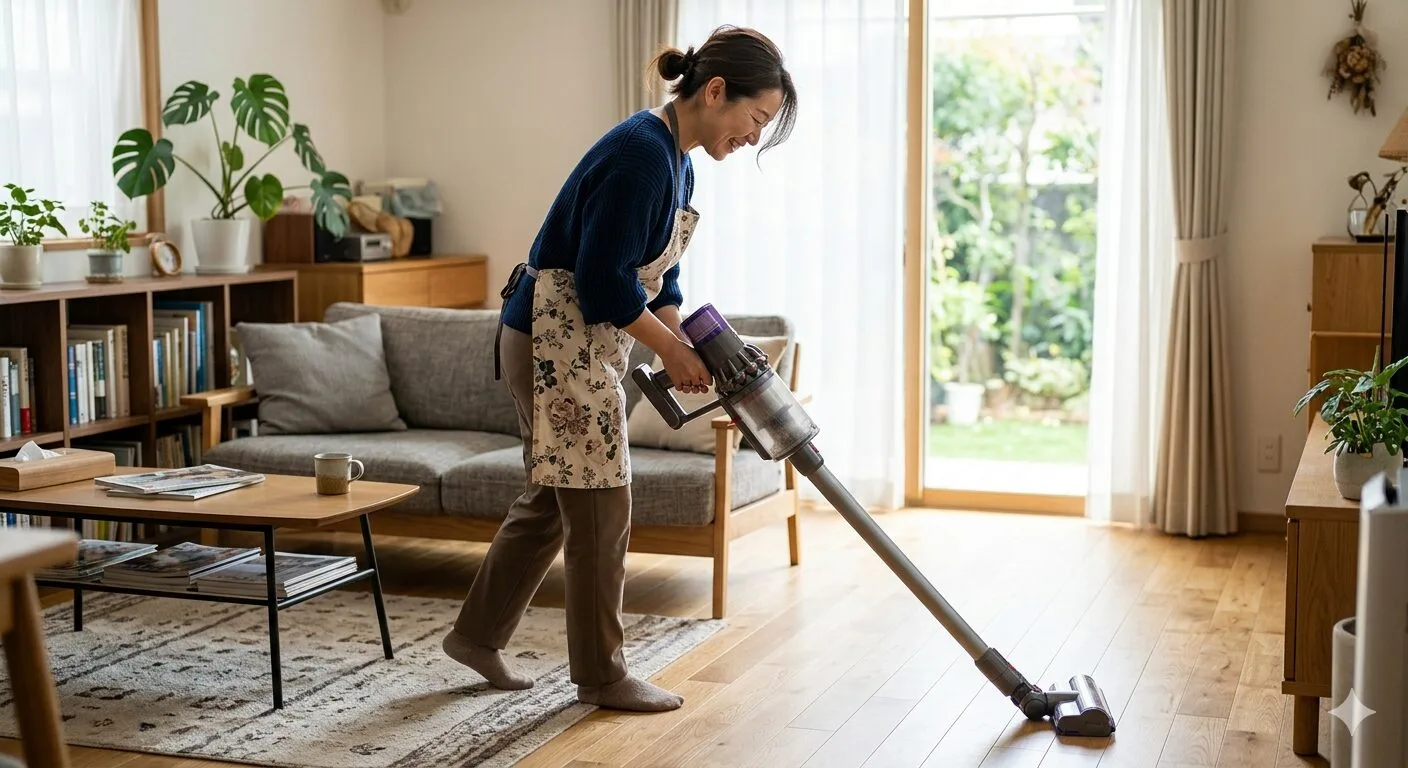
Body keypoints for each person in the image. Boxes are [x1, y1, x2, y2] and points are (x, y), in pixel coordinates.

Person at [441, 24, 797, 712]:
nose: (754, 136)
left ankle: (476, 636)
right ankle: (601, 677)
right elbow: (604, 284)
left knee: (557, 495)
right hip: (551, 343)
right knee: (602, 503)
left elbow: (660, 281)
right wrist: (672, 352)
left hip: (573, 341)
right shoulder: (641, 155)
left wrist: (692, 342)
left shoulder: (678, 159)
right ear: (715, 92)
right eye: (755, 118)